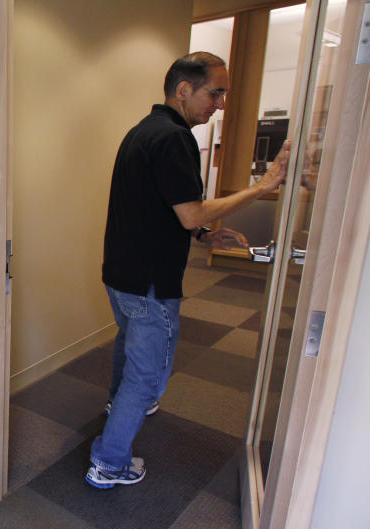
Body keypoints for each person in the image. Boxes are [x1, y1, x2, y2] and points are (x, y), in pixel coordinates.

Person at [86, 51, 291, 489]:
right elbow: (192, 213)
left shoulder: (142, 132)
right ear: (184, 90)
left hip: (121, 274)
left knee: (129, 345)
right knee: (148, 378)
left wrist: (202, 236)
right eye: (214, 93)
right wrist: (263, 187)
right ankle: (108, 462)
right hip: (150, 284)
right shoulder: (175, 139)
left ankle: (116, 407)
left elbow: (159, 210)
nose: (219, 103)